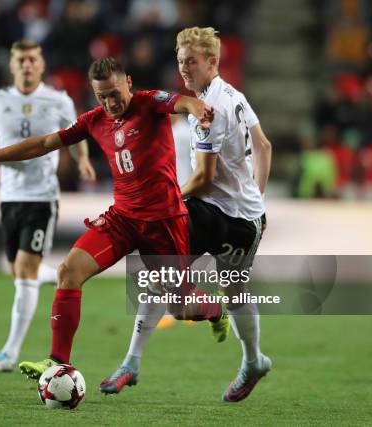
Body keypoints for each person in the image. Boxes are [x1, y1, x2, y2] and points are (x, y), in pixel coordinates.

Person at [0, 56, 224, 380]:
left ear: (128, 83)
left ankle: (213, 308)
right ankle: (57, 363)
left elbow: (182, 102)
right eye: (102, 96)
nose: (110, 103)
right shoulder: (93, 120)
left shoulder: (148, 102)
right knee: (69, 271)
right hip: (122, 219)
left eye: (114, 93)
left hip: (164, 222)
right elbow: (43, 143)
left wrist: (197, 109)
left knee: (180, 308)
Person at [99, 27, 273, 403]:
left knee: (197, 283)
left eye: (191, 62)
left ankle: (247, 355)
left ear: (212, 62)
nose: (184, 70)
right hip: (242, 219)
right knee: (174, 274)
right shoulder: (235, 95)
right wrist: (256, 196)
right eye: (180, 62)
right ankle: (133, 362)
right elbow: (263, 145)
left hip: (218, 213)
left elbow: (204, 177)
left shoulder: (210, 108)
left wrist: (166, 201)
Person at [0, 39, 96, 372]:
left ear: (41, 64)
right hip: (9, 196)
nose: (26, 65)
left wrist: (81, 161)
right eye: (20, 60)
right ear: (12, 65)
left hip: (42, 196)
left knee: (23, 270)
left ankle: (9, 353)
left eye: (32, 60)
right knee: (20, 272)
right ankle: (65, 276)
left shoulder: (58, 99)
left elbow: (75, 135)